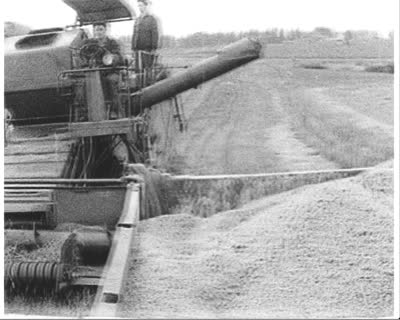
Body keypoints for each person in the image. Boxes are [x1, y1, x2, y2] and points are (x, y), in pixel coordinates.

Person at [80, 22, 123, 118]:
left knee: (112, 81)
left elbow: (119, 57)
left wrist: (111, 58)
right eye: (96, 30)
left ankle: (114, 110)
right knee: (84, 84)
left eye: (101, 29)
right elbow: (83, 56)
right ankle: (85, 112)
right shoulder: (89, 43)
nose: (98, 32)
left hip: (109, 71)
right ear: (93, 31)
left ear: (105, 30)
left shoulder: (112, 43)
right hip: (94, 72)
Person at [131, 0, 160, 75]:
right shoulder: (137, 20)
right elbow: (134, 34)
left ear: (146, 6)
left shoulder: (151, 19)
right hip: (137, 51)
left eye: (141, 5)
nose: (140, 8)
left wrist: (154, 48)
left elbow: (155, 34)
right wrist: (133, 48)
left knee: (147, 70)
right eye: (138, 6)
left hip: (147, 51)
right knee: (137, 70)